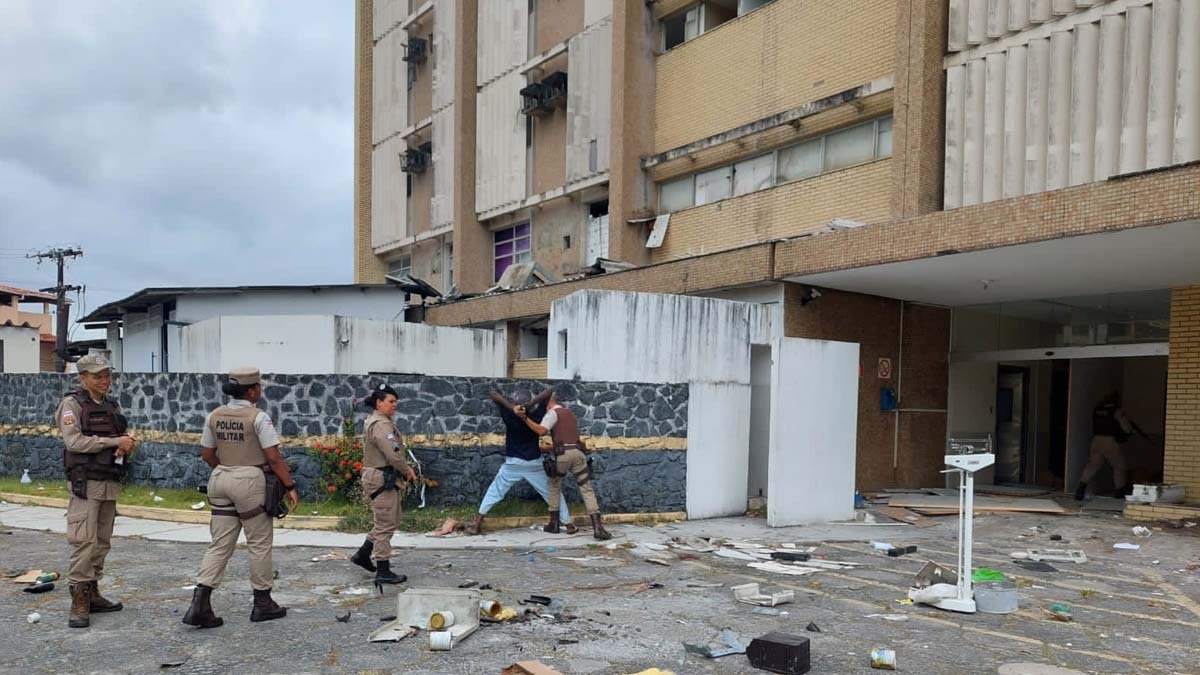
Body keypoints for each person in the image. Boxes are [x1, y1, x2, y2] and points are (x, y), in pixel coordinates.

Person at [183, 367, 299, 628]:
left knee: (220, 544)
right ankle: (263, 603)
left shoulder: (214, 415)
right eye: (258, 386)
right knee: (258, 542)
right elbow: (273, 456)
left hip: (220, 477)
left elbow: (207, 453)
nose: (260, 389)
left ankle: (200, 602)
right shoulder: (259, 417)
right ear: (251, 390)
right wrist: (289, 485)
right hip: (250, 480)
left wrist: (227, 468)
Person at [56, 353, 137, 629]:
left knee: (102, 542)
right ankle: (78, 600)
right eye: (97, 376)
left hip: (109, 480)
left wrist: (125, 444)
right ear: (83, 378)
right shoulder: (72, 405)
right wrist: (113, 440)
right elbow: (74, 442)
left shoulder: (110, 405)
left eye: (107, 375)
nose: (105, 381)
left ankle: (92, 592)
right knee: (84, 541)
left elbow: (118, 435)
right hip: (86, 484)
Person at [464, 388, 574, 536]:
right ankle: (568, 524)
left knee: (494, 491)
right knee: (553, 493)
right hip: (534, 463)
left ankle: (477, 525)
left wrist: (512, 408)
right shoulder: (536, 415)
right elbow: (549, 392)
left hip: (513, 463)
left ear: (515, 402)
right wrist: (531, 405)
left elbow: (493, 394)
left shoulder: (509, 416)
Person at [517, 390, 612, 540]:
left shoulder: (552, 413)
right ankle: (598, 528)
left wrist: (524, 418)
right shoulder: (570, 414)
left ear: (548, 402)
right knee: (587, 489)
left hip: (562, 456)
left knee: (554, 486)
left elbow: (541, 431)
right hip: (578, 453)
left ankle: (554, 523)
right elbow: (569, 439)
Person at [349, 383, 415, 585]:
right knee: (386, 524)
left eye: (396, 402)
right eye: (390, 401)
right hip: (381, 478)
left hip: (381, 477)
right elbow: (394, 454)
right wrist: (407, 471)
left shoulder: (378, 421)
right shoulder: (381, 425)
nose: (394, 405)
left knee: (389, 520)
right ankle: (383, 570)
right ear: (379, 402)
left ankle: (363, 554)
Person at [1075, 391, 1148, 500]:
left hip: (1096, 440)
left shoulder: (1097, 409)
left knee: (1092, 466)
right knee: (1119, 466)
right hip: (1109, 441)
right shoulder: (1116, 410)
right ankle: (1119, 492)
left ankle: (1080, 490)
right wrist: (1130, 431)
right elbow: (1126, 427)